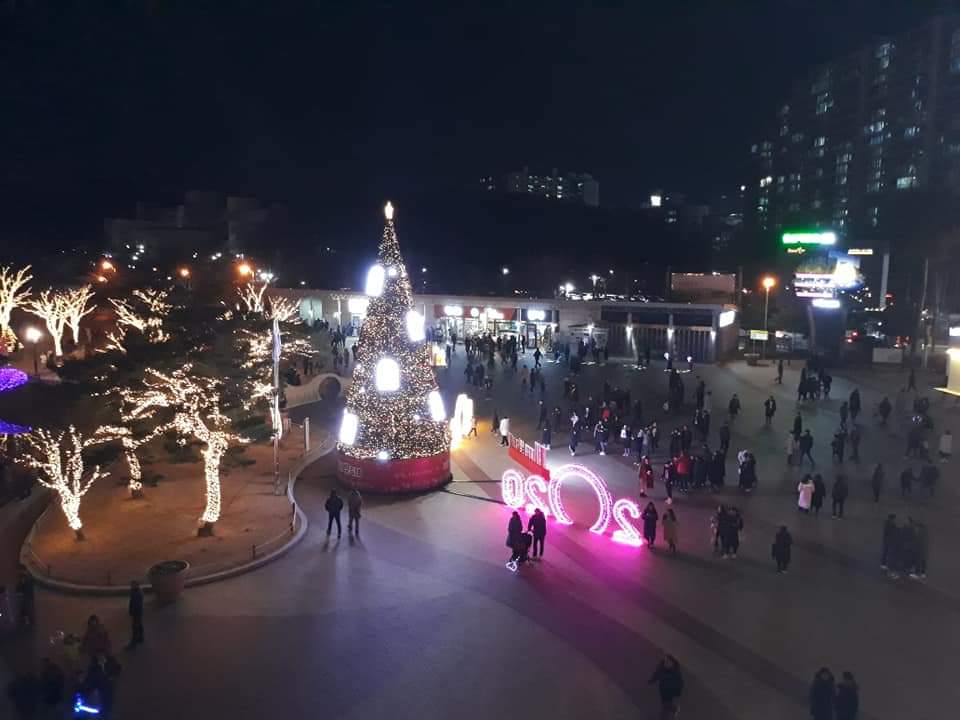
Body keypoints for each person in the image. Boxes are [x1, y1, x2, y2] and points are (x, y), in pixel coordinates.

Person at [15, 564, 34, 628]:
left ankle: (26, 621)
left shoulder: (25, 577)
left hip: (25, 596)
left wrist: (19, 592)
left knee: (25, 608)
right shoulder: (28, 576)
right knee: (26, 608)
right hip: (28, 596)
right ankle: (27, 620)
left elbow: (22, 586)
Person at [127, 581, 144, 649]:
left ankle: (134, 642)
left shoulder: (136, 593)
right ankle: (140, 637)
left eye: (132, 585)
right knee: (139, 624)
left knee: (135, 626)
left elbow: (134, 604)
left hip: (136, 613)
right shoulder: (138, 592)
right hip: (138, 612)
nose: (131, 586)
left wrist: (132, 612)